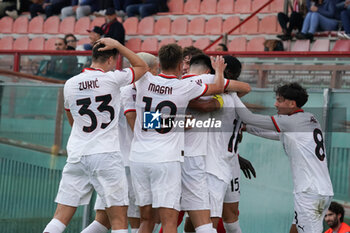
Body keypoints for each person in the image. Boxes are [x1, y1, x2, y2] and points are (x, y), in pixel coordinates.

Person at [42, 37, 148, 233]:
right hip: (106, 154)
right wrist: (118, 45)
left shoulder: (70, 83)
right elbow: (141, 65)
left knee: (60, 217)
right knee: (118, 220)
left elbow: (71, 118)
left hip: (78, 154)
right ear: (111, 60)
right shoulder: (113, 78)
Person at [129, 44, 226, 233]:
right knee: (170, 223)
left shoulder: (144, 81)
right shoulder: (185, 86)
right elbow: (219, 87)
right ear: (181, 63)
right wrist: (219, 71)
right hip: (167, 159)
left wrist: (117, 44)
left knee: (146, 220)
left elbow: (149, 120)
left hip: (139, 158)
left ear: (159, 62)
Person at [232, 82, 334, 233]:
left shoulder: (290, 121)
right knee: (294, 230)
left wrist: (230, 94)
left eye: (279, 100)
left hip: (309, 193)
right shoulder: (308, 118)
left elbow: (249, 117)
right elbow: (276, 134)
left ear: (292, 103)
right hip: (321, 190)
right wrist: (246, 128)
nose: (275, 104)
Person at [81, 52, 159, 233]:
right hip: (131, 164)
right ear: (147, 69)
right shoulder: (134, 91)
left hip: (112, 159)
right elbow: (142, 128)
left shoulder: (117, 88)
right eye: (156, 68)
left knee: (103, 221)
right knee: (140, 221)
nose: (158, 72)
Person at [186, 55, 253, 233]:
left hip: (206, 165)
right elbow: (246, 88)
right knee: (208, 222)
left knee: (164, 220)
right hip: (216, 162)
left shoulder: (210, 89)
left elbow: (207, 107)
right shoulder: (232, 97)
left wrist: (178, 104)